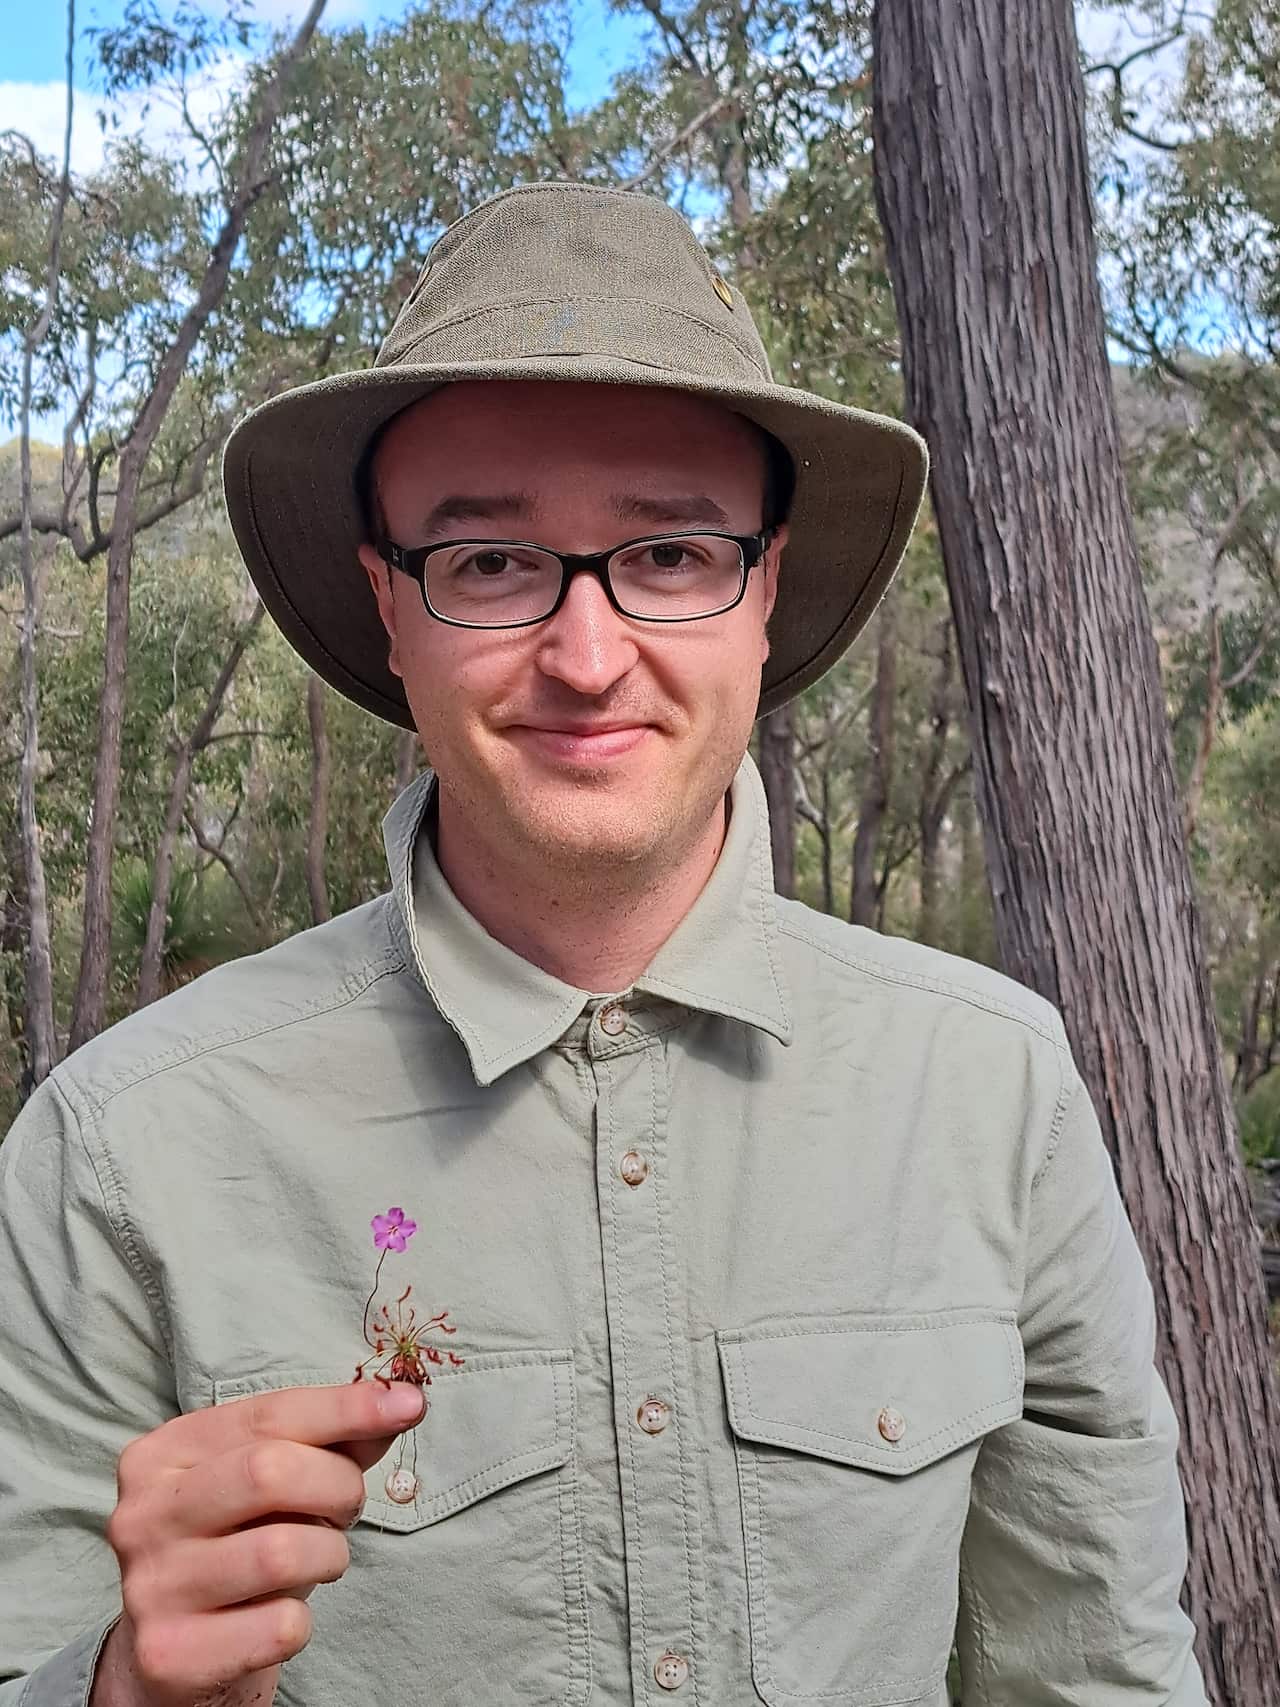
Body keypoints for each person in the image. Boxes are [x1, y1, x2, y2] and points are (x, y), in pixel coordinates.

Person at [0, 182, 1207, 1707]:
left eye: (676, 553)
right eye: (490, 563)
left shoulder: (992, 1089)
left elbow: (1098, 1673)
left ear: (764, 592)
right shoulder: (121, 1152)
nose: (585, 656)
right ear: (389, 606)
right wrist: (114, 1690)